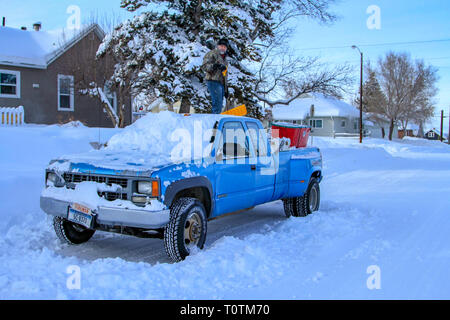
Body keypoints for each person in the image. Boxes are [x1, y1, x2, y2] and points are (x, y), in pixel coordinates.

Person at [202, 38, 229, 114]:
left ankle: (216, 121)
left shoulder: (225, 60)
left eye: (224, 47)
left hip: (221, 83)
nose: (223, 48)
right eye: (221, 46)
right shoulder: (212, 54)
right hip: (213, 80)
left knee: (219, 105)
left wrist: (226, 89)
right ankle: (214, 122)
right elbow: (204, 66)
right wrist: (215, 66)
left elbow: (225, 75)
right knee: (217, 104)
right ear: (218, 46)